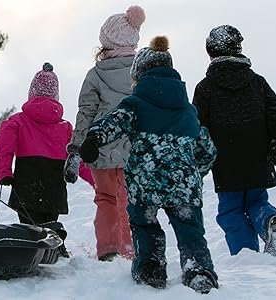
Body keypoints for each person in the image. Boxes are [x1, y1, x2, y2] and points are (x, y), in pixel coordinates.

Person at [81, 36, 220, 294]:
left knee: (145, 224)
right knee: (189, 228)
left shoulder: (136, 103)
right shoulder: (187, 109)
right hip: (183, 184)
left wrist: (93, 139)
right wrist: (194, 173)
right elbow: (207, 149)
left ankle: (151, 268)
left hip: (146, 181)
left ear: (139, 76)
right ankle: (198, 270)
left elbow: (114, 122)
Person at [192, 25, 276, 257]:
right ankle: (268, 221)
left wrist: (199, 159)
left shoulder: (205, 88)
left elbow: (197, 127)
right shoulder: (257, 81)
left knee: (231, 210)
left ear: (211, 52)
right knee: (257, 200)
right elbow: (275, 111)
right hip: (259, 155)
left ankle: (247, 256)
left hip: (225, 160)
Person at [66, 4, 145, 262]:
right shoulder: (143, 74)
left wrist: (77, 147)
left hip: (100, 147)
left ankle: (108, 249)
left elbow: (85, 112)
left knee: (105, 198)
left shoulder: (96, 74)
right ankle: (130, 249)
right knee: (129, 200)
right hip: (134, 150)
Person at [0, 63, 94, 258]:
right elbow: (77, 156)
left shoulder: (17, 121)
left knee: (28, 226)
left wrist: (5, 172)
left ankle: (30, 252)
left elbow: (3, 145)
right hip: (53, 184)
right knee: (48, 222)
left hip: (26, 180)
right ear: (55, 95)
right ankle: (54, 243)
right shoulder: (65, 127)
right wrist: (95, 181)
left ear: (32, 92)